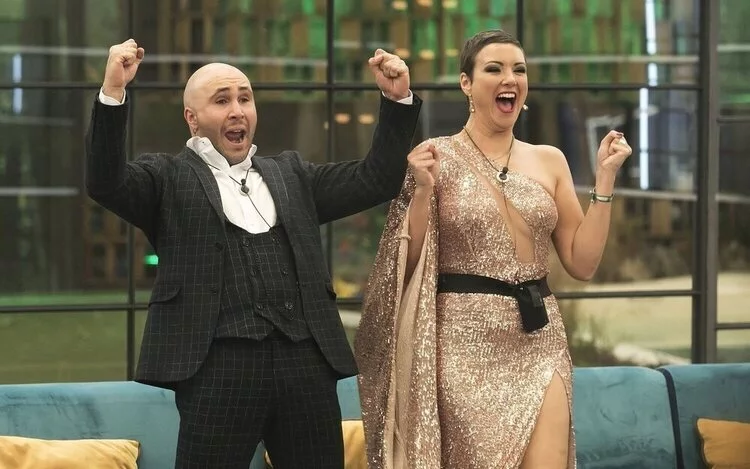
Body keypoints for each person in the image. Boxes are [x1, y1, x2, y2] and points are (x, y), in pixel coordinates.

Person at [85, 39, 421, 469]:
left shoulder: (292, 174)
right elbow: (106, 181)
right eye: (221, 100)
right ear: (192, 118)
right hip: (216, 369)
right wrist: (113, 92)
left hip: (305, 365)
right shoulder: (165, 178)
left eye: (245, 98)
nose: (237, 110)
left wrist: (396, 101)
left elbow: (376, 179)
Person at [354, 29, 632, 469]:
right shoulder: (435, 156)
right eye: (494, 69)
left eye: (519, 70)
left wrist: (605, 179)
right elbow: (405, 264)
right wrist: (422, 192)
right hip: (462, 345)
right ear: (466, 83)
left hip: (539, 340)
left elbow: (582, 263)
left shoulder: (550, 160)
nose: (510, 79)